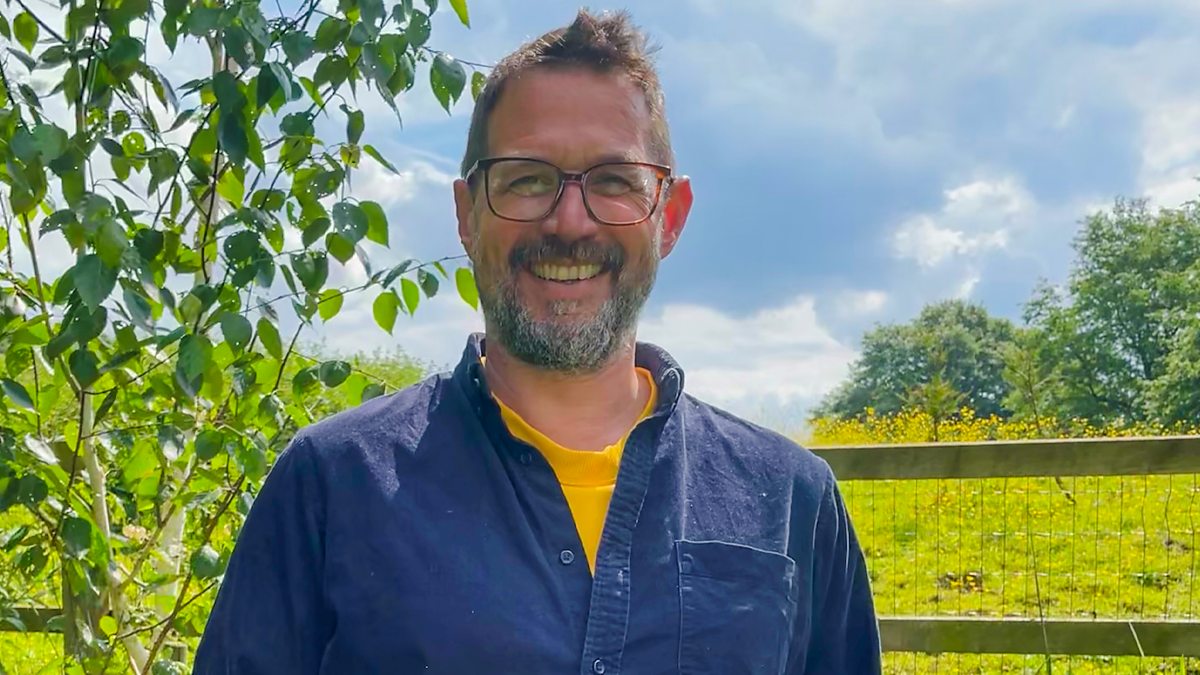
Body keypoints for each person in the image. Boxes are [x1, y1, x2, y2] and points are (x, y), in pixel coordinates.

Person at [193, 8, 881, 674]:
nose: (570, 222)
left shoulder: (792, 502)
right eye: (526, 179)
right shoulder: (331, 484)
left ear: (669, 216)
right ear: (466, 215)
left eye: (614, 181)